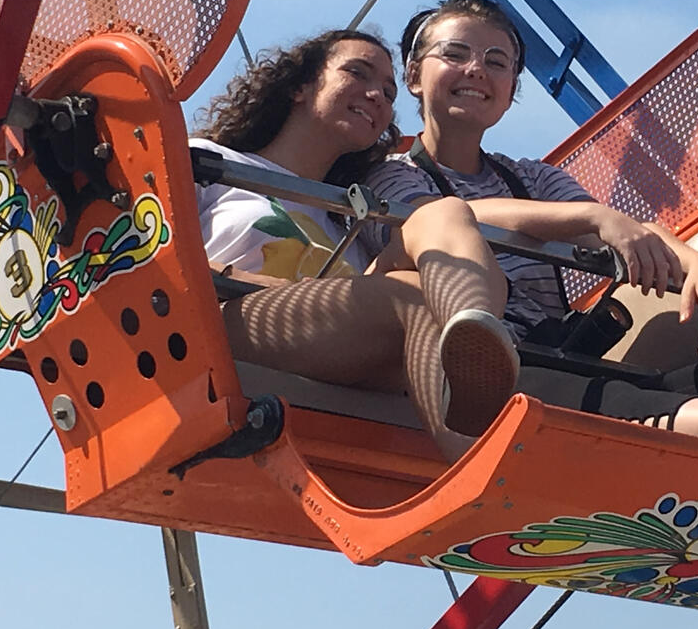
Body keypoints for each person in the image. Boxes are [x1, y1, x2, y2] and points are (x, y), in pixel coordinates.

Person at [362, 0, 698, 458]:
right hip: (465, 362)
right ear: (413, 75)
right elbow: (435, 219)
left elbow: (620, 232)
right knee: (522, 381)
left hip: (558, 346)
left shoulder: (532, 178)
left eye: (496, 61)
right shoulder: (392, 173)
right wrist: (591, 217)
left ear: (510, 92)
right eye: (455, 53)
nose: (476, 70)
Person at [192, 27, 520, 460]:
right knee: (407, 295)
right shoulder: (212, 162)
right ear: (300, 86)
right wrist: (255, 284)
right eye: (358, 74)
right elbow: (155, 257)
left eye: (387, 90)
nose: (377, 96)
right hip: (225, 325)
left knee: (444, 215)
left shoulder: (352, 221)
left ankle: (473, 339)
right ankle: (475, 463)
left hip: (341, 341)